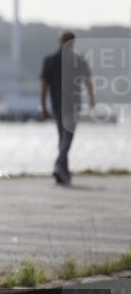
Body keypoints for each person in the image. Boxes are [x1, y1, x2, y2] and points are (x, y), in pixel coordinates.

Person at [40, 30, 95, 185]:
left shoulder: (49, 60)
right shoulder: (79, 59)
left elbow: (44, 85)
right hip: (73, 104)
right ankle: (59, 166)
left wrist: (43, 106)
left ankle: (64, 173)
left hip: (57, 104)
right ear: (73, 42)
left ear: (60, 41)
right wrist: (91, 98)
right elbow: (88, 80)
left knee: (62, 138)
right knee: (67, 137)